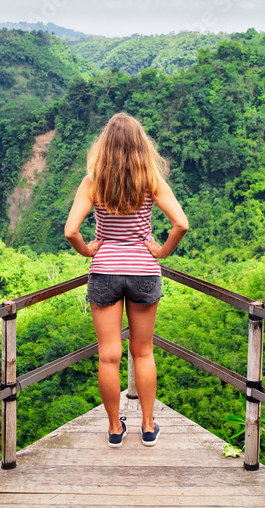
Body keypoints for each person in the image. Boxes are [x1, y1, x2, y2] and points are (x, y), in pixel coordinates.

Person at [64, 112, 188, 448]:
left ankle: (115, 430)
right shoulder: (151, 181)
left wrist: (88, 250)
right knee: (143, 352)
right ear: (140, 145)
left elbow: (71, 230)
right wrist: (161, 252)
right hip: (144, 270)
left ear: (104, 146)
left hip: (104, 269)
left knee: (108, 356)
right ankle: (148, 426)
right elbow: (181, 224)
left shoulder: (93, 182)